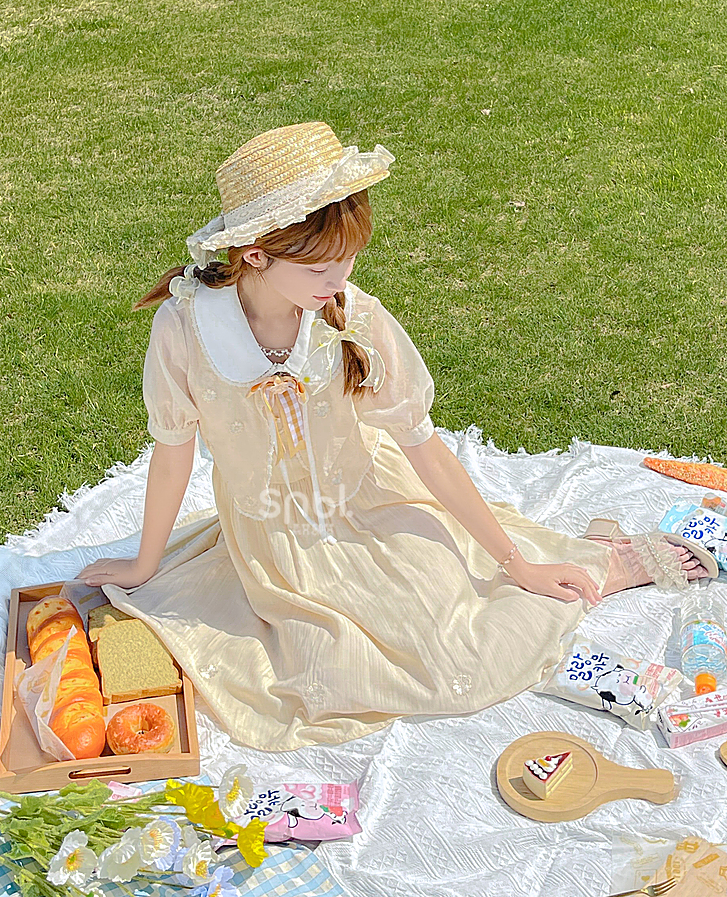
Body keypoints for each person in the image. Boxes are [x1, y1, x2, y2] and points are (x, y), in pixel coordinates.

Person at [76, 121, 714, 752]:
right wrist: (145, 563)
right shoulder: (186, 328)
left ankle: (602, 563)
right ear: (255, 256)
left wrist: (517, 563)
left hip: (371, 500)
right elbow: (173, 453)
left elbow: (423, 446)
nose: (340, 281)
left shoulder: (353, 317)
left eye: (349, 260)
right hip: (270, 533)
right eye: (321, 267)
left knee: (454, 645)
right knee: (328, 666)